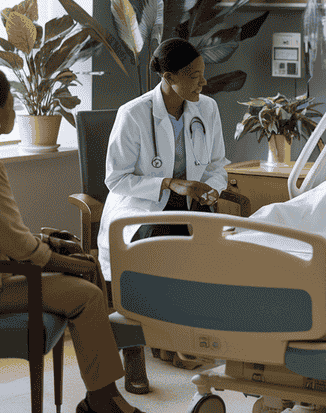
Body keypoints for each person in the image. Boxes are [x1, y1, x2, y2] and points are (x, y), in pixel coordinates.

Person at [0, 68, 151, 413]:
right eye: (12, 103)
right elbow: (19, 249)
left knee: (83, 275)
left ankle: (105, 396)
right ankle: (101, 402)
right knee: (87, 294)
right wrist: (71, 262)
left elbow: (2, 235)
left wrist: (56, 250)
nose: (15, 110)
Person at [97, 38, 230, 371]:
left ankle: (179, 339)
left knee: (208, 250)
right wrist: (168, 183)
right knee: (157, 246)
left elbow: (217, 164)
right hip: (141, 205)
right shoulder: (134, 114)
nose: (203, 82)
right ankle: (137, 350)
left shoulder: (207, 108)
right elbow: (115, 178)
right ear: (169, 77)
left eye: (203, 73)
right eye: (194, 75)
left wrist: (211, 190)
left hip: (192, 204)